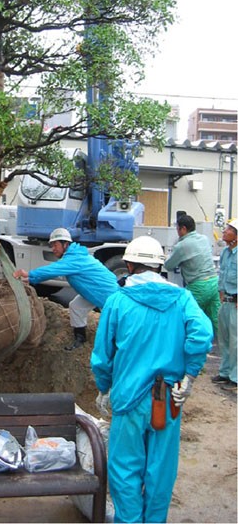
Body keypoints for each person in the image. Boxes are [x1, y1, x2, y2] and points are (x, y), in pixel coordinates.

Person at [91, 235, 213, 523]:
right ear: (159, 266)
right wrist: (190, 376)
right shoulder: (182, 298)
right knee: (161, 469)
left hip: (128, 399)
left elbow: (102, 355)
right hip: (168, 399)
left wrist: (104, 387)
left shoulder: (118, 301)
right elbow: (202, 335)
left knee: (125, 468)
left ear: (129, 265)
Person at [13, 227, 118, 350]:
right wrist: (31, 279)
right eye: (51, 245)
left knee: (112, 323)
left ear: (65, 244)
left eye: (55, 245)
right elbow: (54, 271)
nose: (53, 248)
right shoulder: (74, 255)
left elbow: (52, 270)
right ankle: (80, 338)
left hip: (105, 293)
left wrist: (29, 274)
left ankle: (113, 348)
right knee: (76, 306)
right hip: (92, 291)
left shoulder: (74, 258)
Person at [164, 214, 220, 335]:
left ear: (183, 229)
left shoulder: (182, 245)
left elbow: (168, 266)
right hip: (214, 282)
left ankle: (193, 344)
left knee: (190, 318)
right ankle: (223, 345)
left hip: (198, 286)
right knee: (216, 320)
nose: (177, 233)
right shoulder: (204, 239)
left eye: (178, 229)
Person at [212, 219, 237, 392]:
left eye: (228, 229)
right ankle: (225, 372)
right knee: (224, 338)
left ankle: (235, 377)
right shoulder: (225, 253)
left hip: (235, 303)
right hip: (226, 301)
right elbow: (222, 275)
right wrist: (221, 292)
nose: (224, 231)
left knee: (236, 341)